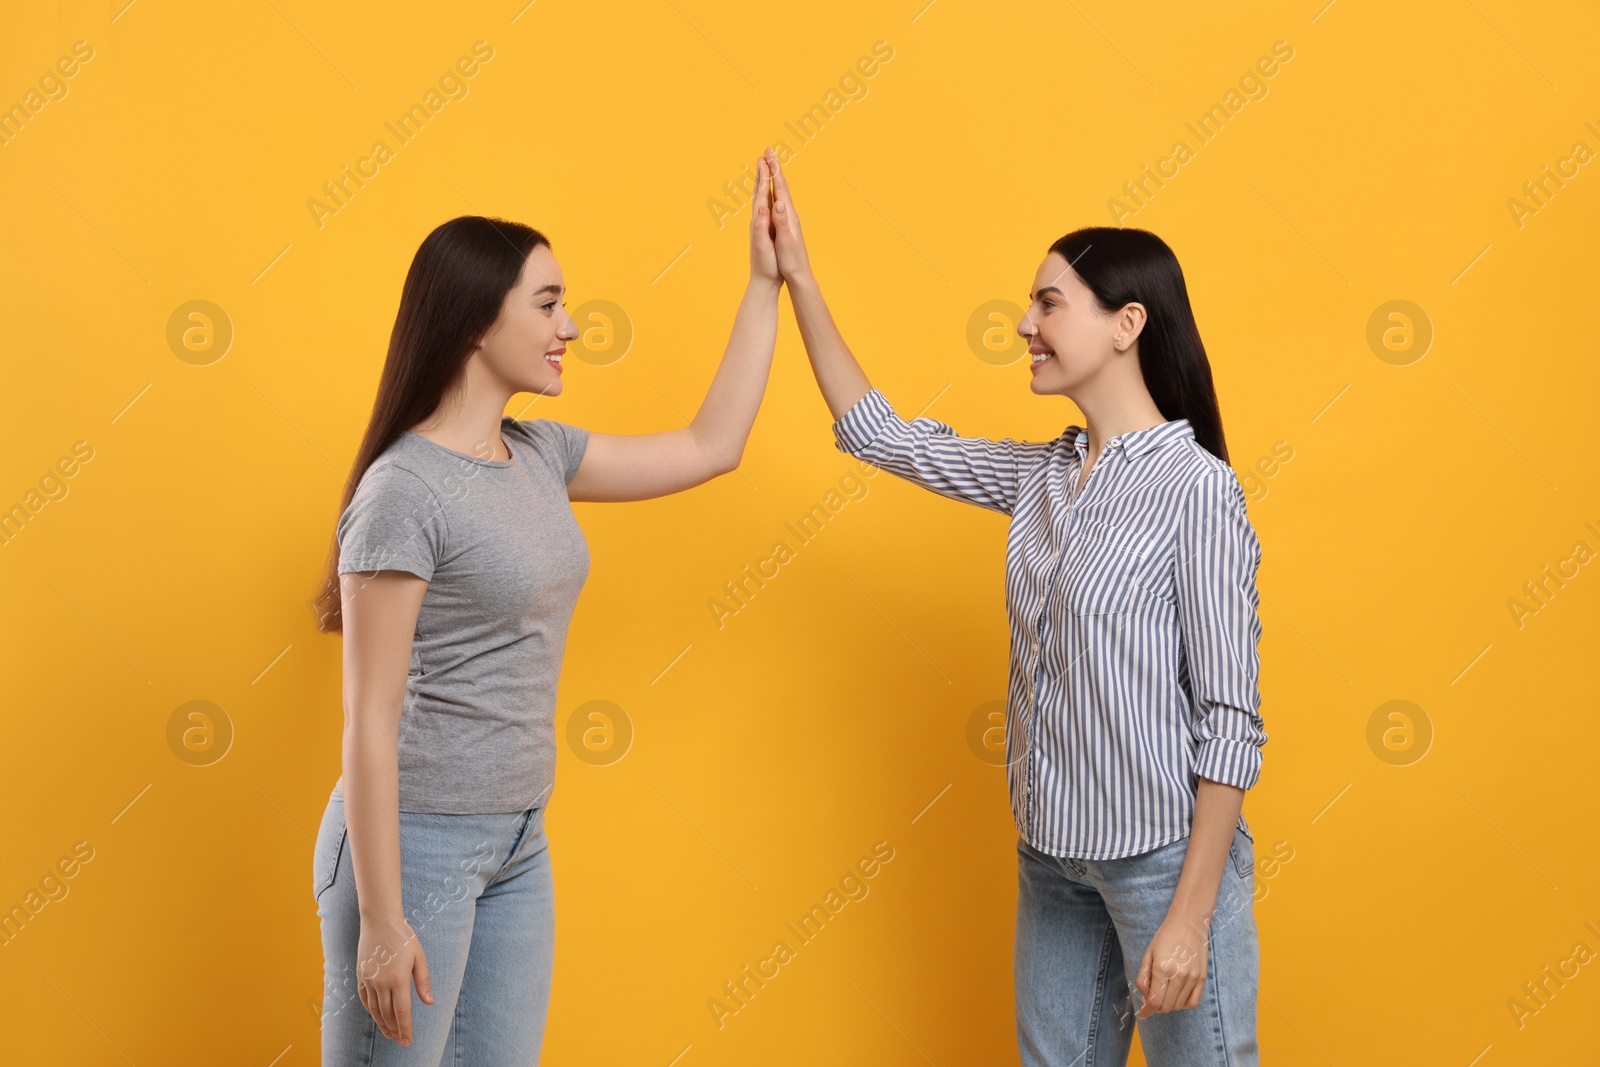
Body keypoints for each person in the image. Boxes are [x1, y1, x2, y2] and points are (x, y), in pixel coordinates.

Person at [760, 146, 1268, 1066]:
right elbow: (878, 435)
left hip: (1164, 862)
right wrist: (795, 274)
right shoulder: (1044, 475)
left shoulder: (1196, 490)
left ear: (1127, 325)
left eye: (1048, 303)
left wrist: (1190, 916)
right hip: (1052, 857)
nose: (1024, 322)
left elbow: (1231, 720)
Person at [306, 154, 781, 1062]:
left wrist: (764, 286)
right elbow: (368, 722)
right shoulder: (404, 491)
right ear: (477, 322)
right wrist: (380, 920)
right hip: (414, 847)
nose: (571, 325)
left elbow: (710, 444)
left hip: (519, 840)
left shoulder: (541, 453)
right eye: (550, 302)